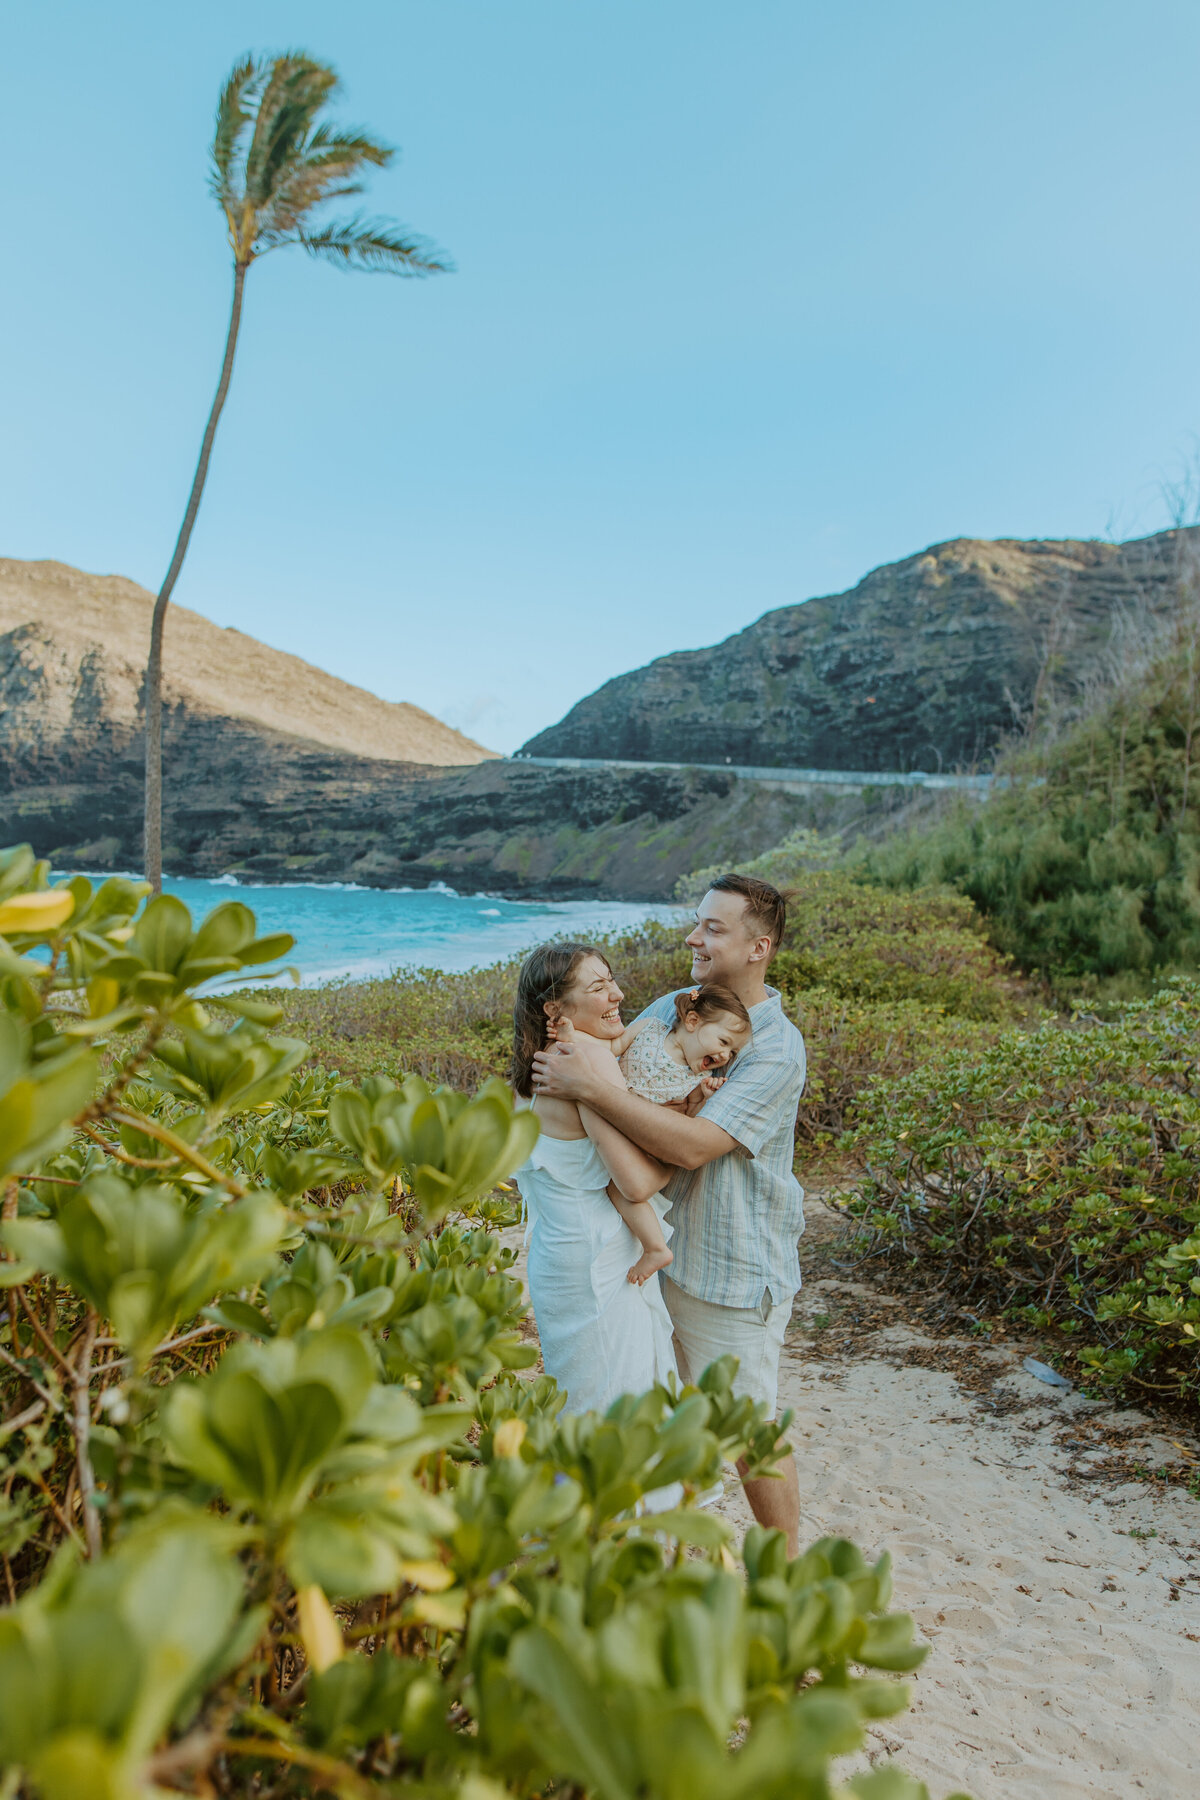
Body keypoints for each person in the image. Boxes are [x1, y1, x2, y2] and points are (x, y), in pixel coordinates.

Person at [531, 874, 807, 1554]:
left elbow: (694, 1146)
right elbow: (607, 1074)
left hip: (732, 1270)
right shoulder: (671, 1006)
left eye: (714, 928)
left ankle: (787, 1581)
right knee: (665, 1419)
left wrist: (590, 1086)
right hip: (653, 1258)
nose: (694, 936)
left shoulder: (774, 1048)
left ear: (758, 947)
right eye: (697, 923)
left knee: (748, 1431)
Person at [510, 941, 679, 1417]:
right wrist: (681, 1150)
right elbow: (635, 1184)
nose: (618, 995)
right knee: (616, 1403)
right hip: (598, 1258)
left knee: (579, 1399)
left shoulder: (534, 1065)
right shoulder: (586, 1062)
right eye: (599, 987)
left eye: (612, 981)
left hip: (554, 1255)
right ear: (554, 1007)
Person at [553, 983, 752, 1285]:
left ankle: (655, 1247)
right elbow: (610, 1048)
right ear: (693, 1021)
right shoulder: (649, 1029)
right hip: (611, 1116)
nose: (725, 1054)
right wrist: (572, 1037)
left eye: (732, 1051)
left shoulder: (699, 1078)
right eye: (723, 1041)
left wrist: (703, 1100)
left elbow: (686, 1123)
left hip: (642, 1142)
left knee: (620, 1187)